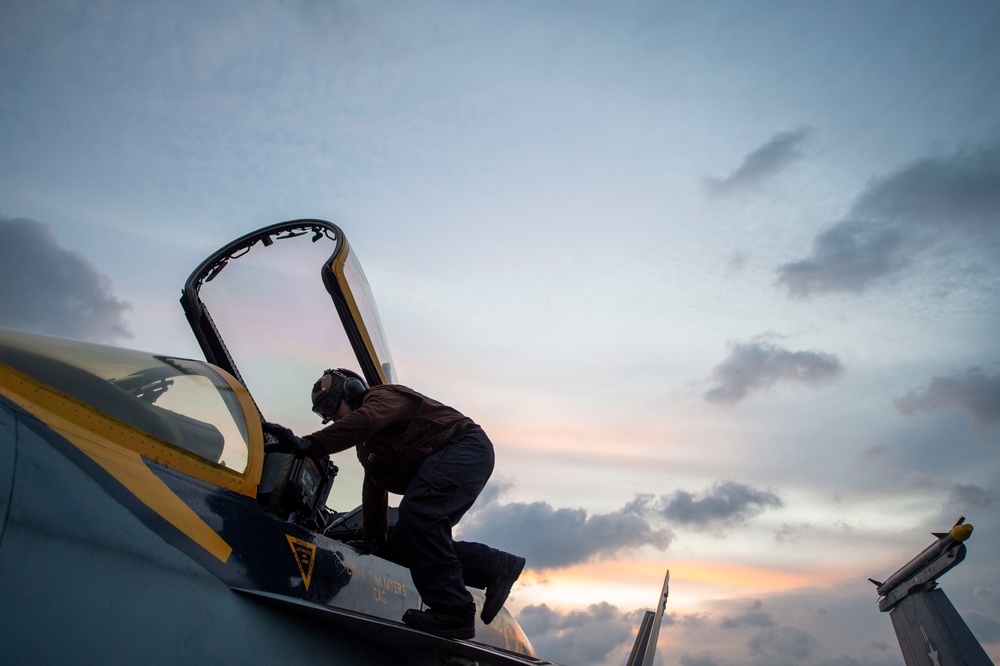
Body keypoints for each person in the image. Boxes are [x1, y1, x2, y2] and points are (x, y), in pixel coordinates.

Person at [263, 368, 525, 640]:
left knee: (419, 514)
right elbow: (374, 485)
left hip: (465, 447)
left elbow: (364, 421)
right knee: (404, 541)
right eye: (322, 414)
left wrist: (308, 444)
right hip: (453, 460)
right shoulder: (368, 447)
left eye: (330, 405)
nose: (329, 418)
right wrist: (374, 539)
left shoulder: (382, 398)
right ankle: (492, 567)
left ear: (352, 391)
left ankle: (455, 611)